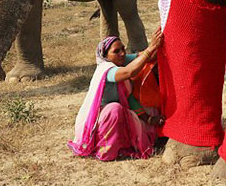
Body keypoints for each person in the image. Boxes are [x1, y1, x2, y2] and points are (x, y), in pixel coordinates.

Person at [68, 29, 164, 161]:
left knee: (143, 103)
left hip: (115, 118)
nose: (122, 53)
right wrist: (151, 47)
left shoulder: (121, 60)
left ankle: (123, 146)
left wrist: (160, 41)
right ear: (105, 56)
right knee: (115, 108)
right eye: (116, 51)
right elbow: (130, 71)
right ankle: (105, 151)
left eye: (123, 49)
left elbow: (147, 57)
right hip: (100, 123)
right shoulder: (106, 70)